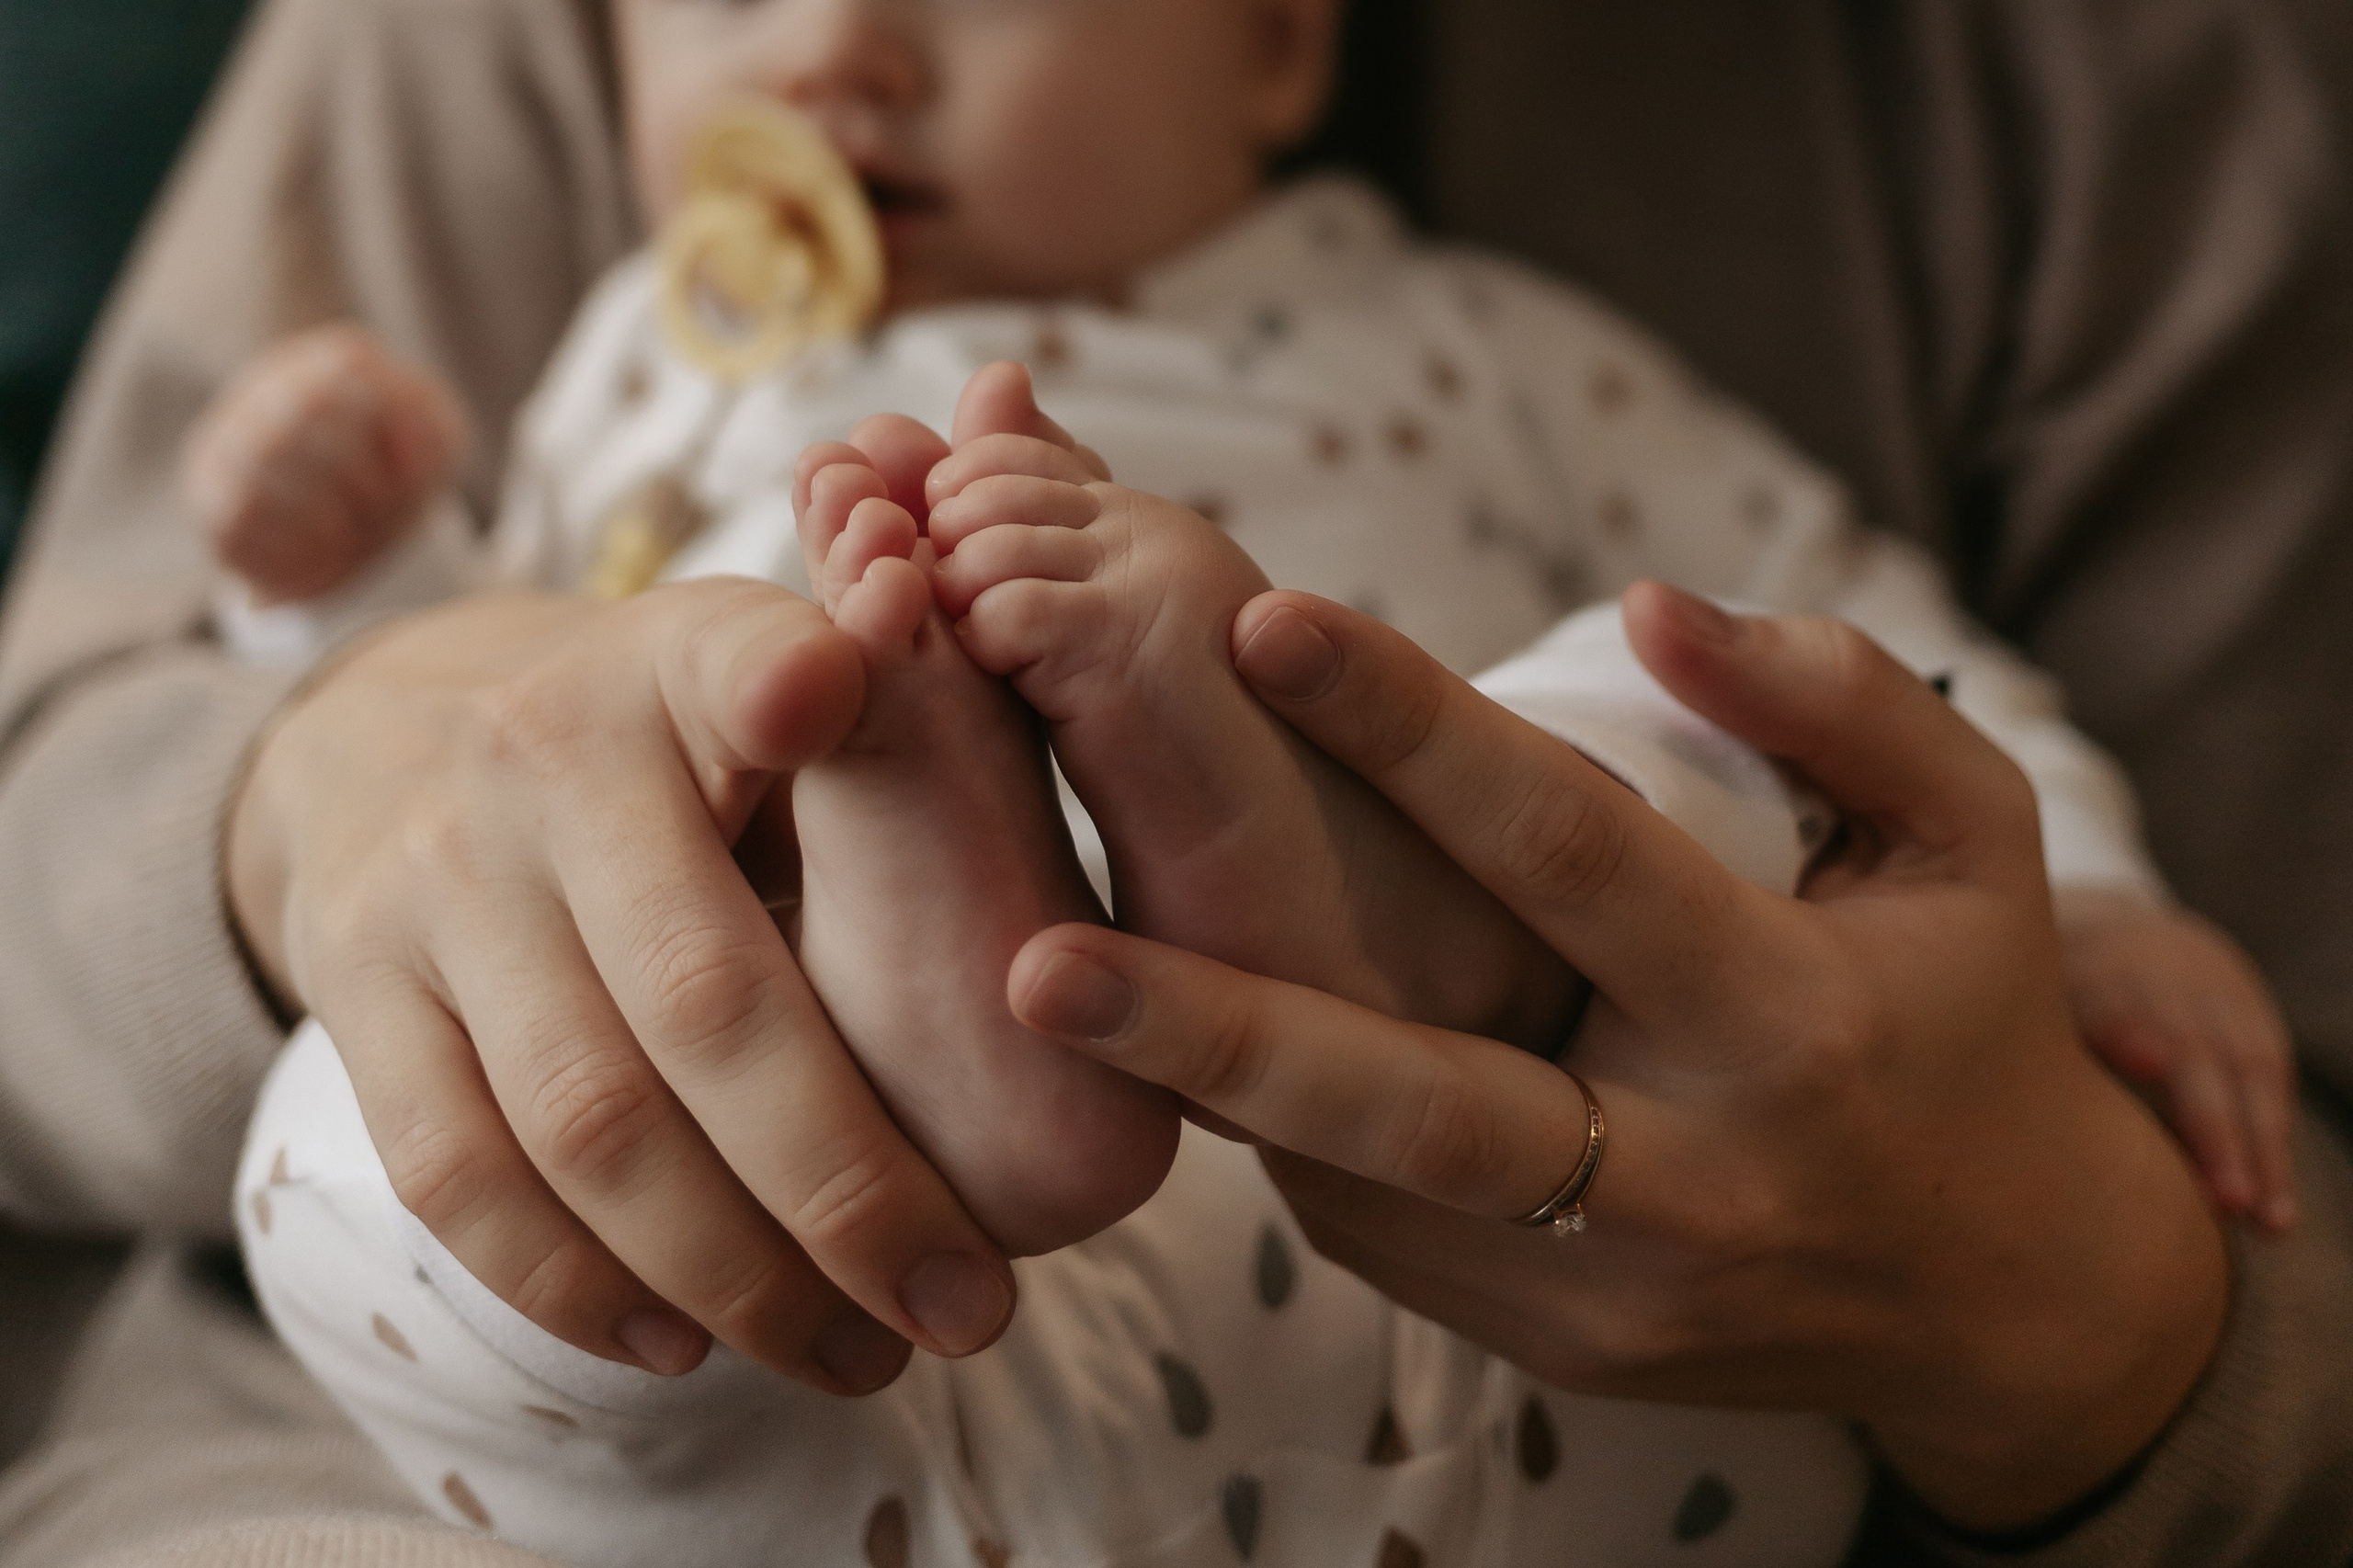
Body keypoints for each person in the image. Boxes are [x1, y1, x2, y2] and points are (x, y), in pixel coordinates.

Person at [3, 1, 2349, 1565]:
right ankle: (939, 1006)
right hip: (880, 1373)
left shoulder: (1470, 341)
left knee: (1687, 714)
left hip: (1542, 1310)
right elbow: (433, 745)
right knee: (379, 1130)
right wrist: (337, 619)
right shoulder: (634, 364)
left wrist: (2098, 910)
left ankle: (1383, 894)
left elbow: (1867, 645)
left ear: (1267, 43)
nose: (831, 51)